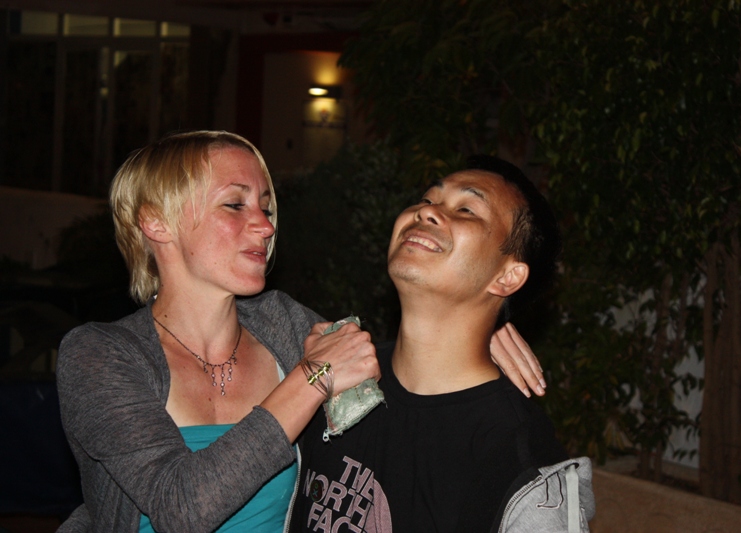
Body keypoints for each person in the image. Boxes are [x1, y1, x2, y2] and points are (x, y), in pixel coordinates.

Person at [55, 132, 548, 533]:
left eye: (266, 208)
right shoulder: (100, 355)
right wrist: (312, 377)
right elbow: (182, 509)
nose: (265, 226)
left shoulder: (284, 327)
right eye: (235, 205)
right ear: (156, 222)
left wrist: (482, 326)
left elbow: (392, 365)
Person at [289, 156, 595, 532]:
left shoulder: (518, 463)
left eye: (466, 209)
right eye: (427, 199)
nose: (426, 211)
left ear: (507, 276)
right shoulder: (333, 375)